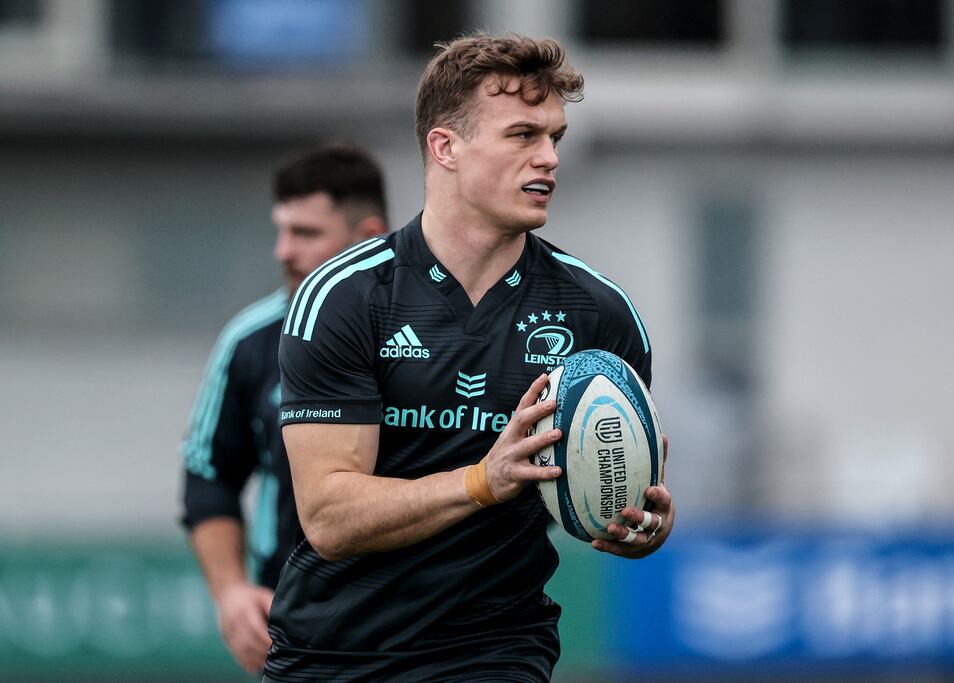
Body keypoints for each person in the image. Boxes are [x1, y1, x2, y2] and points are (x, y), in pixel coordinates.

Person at [264, 34, 675, 682]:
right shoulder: (344, 298)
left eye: (555, 138)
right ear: (445, 147)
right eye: (522, 135)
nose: (548, 159)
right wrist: (484, 479)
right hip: (333, 656)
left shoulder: (599, 315)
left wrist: (635, 519)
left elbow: (597, 487)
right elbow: (329, 516)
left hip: (495, 653)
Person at [180, 144, 389, 673]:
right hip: (300, 629)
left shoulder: (439, 335)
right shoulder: (249, 342)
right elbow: (208, 475)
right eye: (281, 230)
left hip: (429, 625)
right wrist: (230, 593)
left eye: (306, 233)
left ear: (368, 237)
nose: (283, 251)